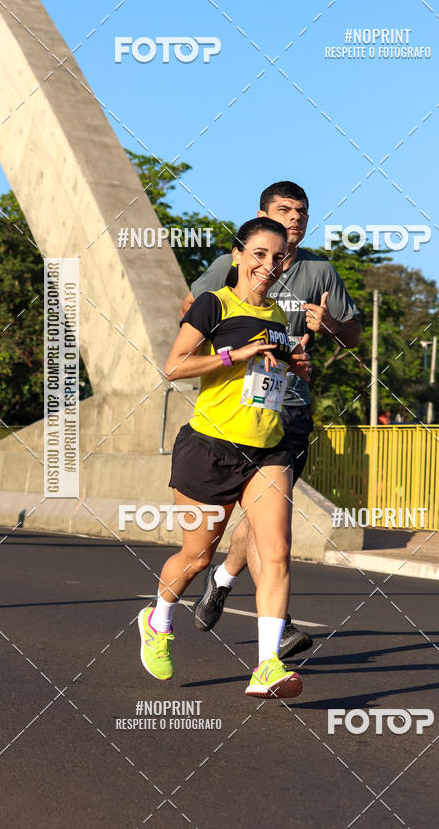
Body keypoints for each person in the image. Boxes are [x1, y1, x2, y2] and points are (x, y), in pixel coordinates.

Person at [180, 181, 361, 656]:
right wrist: (227, 352)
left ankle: (224, 581)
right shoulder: (233, 262)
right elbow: (192, 311)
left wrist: (332, 327)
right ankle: (263, 619)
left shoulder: (319, 270)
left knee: (268, 524)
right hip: (233, 411)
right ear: (262, 214)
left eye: (302, 211)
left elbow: (354, 334)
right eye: (284, 209)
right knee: (241, 530)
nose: (295, 217)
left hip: (291, 412)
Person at [138, 217, 312, 699]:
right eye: (259, 254)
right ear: (238, 255)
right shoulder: (215, 304)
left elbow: (273, 382)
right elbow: (174, 367)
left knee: (276, 551)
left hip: (268, 447)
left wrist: (299, 367)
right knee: (196, 557)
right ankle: (158, 619)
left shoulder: (280, 318)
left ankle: (266, 666)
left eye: (278, 258)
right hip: (210, 448)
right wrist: (238, 354)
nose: (268, 265)